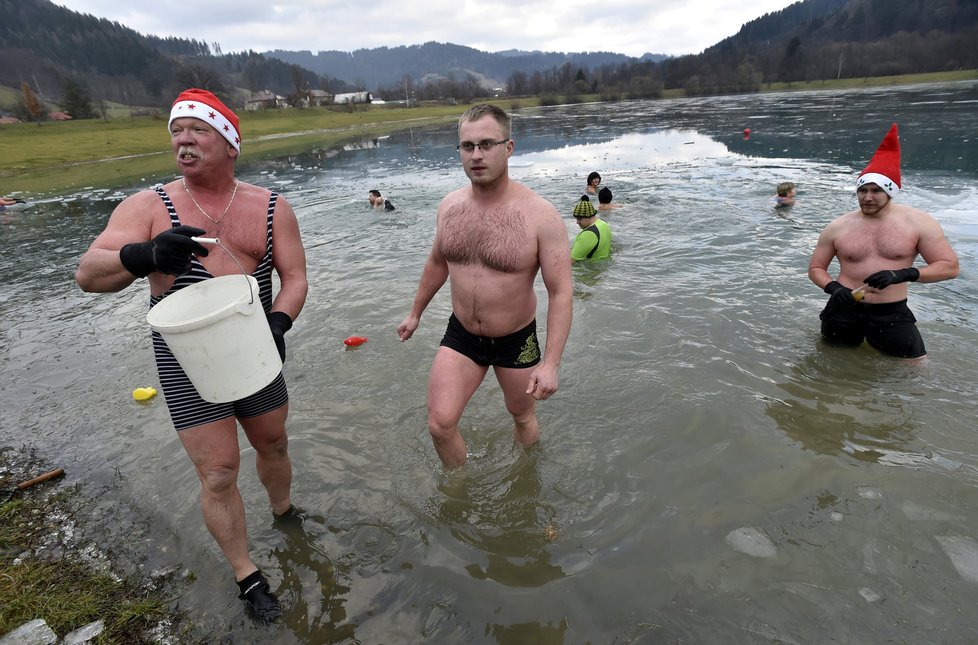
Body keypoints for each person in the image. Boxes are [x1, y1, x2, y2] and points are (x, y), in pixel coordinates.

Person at [75, 88, 308, 623]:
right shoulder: (148, 206)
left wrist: (279, 321)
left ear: (229, 141)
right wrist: (145, 254)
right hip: (185, 361)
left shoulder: (271, 206)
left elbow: (294, 279)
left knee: (273, 441)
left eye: (197, 129)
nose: (183, 138)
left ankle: (285, 512)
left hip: (255, 349)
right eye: (176, 130)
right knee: (220, 471)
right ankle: (248, 576)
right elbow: (88, 274)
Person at [396, 103, 573, 468]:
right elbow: (437, 262)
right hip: (462, 334)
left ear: (508, 147)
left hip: (516, 339)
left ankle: (526, 481)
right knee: (440, 424)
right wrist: (415, 314)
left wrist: (551, 363)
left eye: (487, 144)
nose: (476, 155)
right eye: (467, 146)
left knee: (522, 416)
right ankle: (459, 492)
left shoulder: (540, 215)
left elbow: (561, 291)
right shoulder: (449, 207)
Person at [808, 123, 958, 359]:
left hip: (891, 312)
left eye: (876, 191)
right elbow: (816, 268)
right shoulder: (838, 226)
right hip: (843, 309)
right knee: (832, 363)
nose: (867, 197)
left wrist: (903, 274)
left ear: (891, 192)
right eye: (862, 190)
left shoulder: (919, 223)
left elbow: (949, 267)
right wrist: (834, 288)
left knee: (916, 366)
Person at [570, 196, 612, 261]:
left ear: (589, 216)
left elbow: (569, 261)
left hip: (589, 270)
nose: (577, 222)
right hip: (602, 266)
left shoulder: (588, 234)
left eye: (579, 219)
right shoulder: (604, 224)